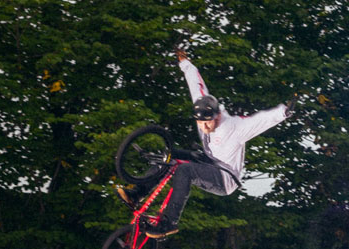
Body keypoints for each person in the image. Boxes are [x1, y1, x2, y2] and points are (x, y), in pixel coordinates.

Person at [117, 49, 291, 238]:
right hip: (207, 159)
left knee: (185, 171)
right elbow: (197, 86)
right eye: (200, 122)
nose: (204, 125)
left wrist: (283, 112)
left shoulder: (234, 127)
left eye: (208, 121)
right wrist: (185, 64)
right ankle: (137, 194)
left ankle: (169, 223)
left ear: (217, 116)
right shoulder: (202, 107)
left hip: (225, 177)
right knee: (167, 155)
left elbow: (259, 122)